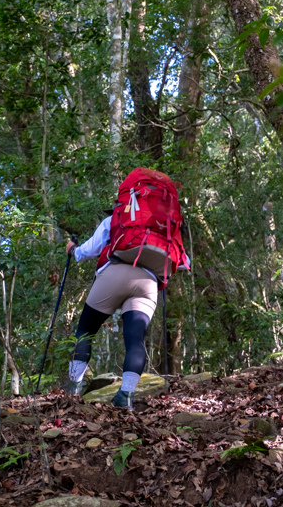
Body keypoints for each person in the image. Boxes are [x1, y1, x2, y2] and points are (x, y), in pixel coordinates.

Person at [64, 168, 189, 411]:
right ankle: (126, 397)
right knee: (135, 340)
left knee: (85, 331)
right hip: (149, 283)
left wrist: (71, 249)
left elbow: (85, 252)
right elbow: (183, 263)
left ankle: (74, 389)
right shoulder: (163, 228)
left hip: (116, 273)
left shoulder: (113, 221)